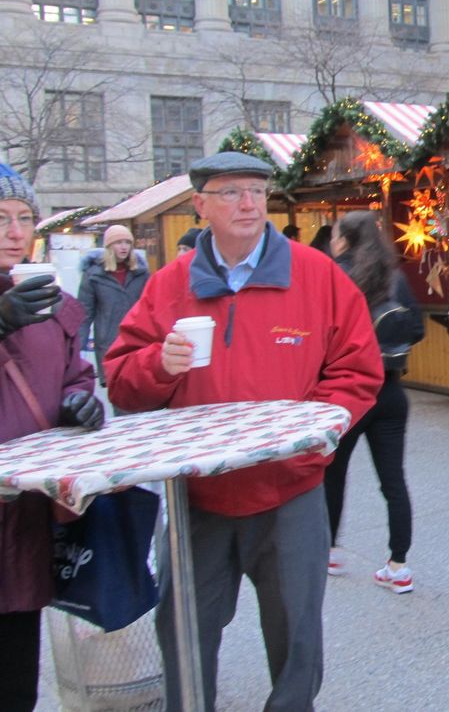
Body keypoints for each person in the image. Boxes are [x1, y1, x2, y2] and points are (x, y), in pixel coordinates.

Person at [105, 152, 383, 711]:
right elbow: (120, 381)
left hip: (289, 491)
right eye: (231, 192)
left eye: (257, 190)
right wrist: (160, 364)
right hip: (198, 499)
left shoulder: (316, 275)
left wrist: (312, 439)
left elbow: (357, 371)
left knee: (297, 640)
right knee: (184, 633)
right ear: (201, 205)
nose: (249, 203)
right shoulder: (168, 286)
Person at [0, 163, 103, 712]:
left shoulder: (52, 306)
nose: (16, 231)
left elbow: (75, 377)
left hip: (27, 519)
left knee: (17, 675)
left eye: (24, 219)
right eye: (1, 219)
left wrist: (80, 404)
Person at [323, 210, 425, 592]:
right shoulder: (394, 277)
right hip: (391, 391)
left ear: (344, 239)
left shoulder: (337, 276)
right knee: (394, 481)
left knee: (333, 474)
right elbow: (416, 327)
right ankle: (399, 566)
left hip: (348, 395)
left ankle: (330, 549)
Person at [78, 224, 149, 389]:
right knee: (120, 395)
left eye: (127, 242)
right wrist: (77, 348)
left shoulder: (141, 273)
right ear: (109, 246)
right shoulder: (94, 275)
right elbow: (84, 314)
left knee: (143, 394)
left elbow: (150, 306)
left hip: (138, 342)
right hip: (110, 343)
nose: (124, 247)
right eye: (118, 242)